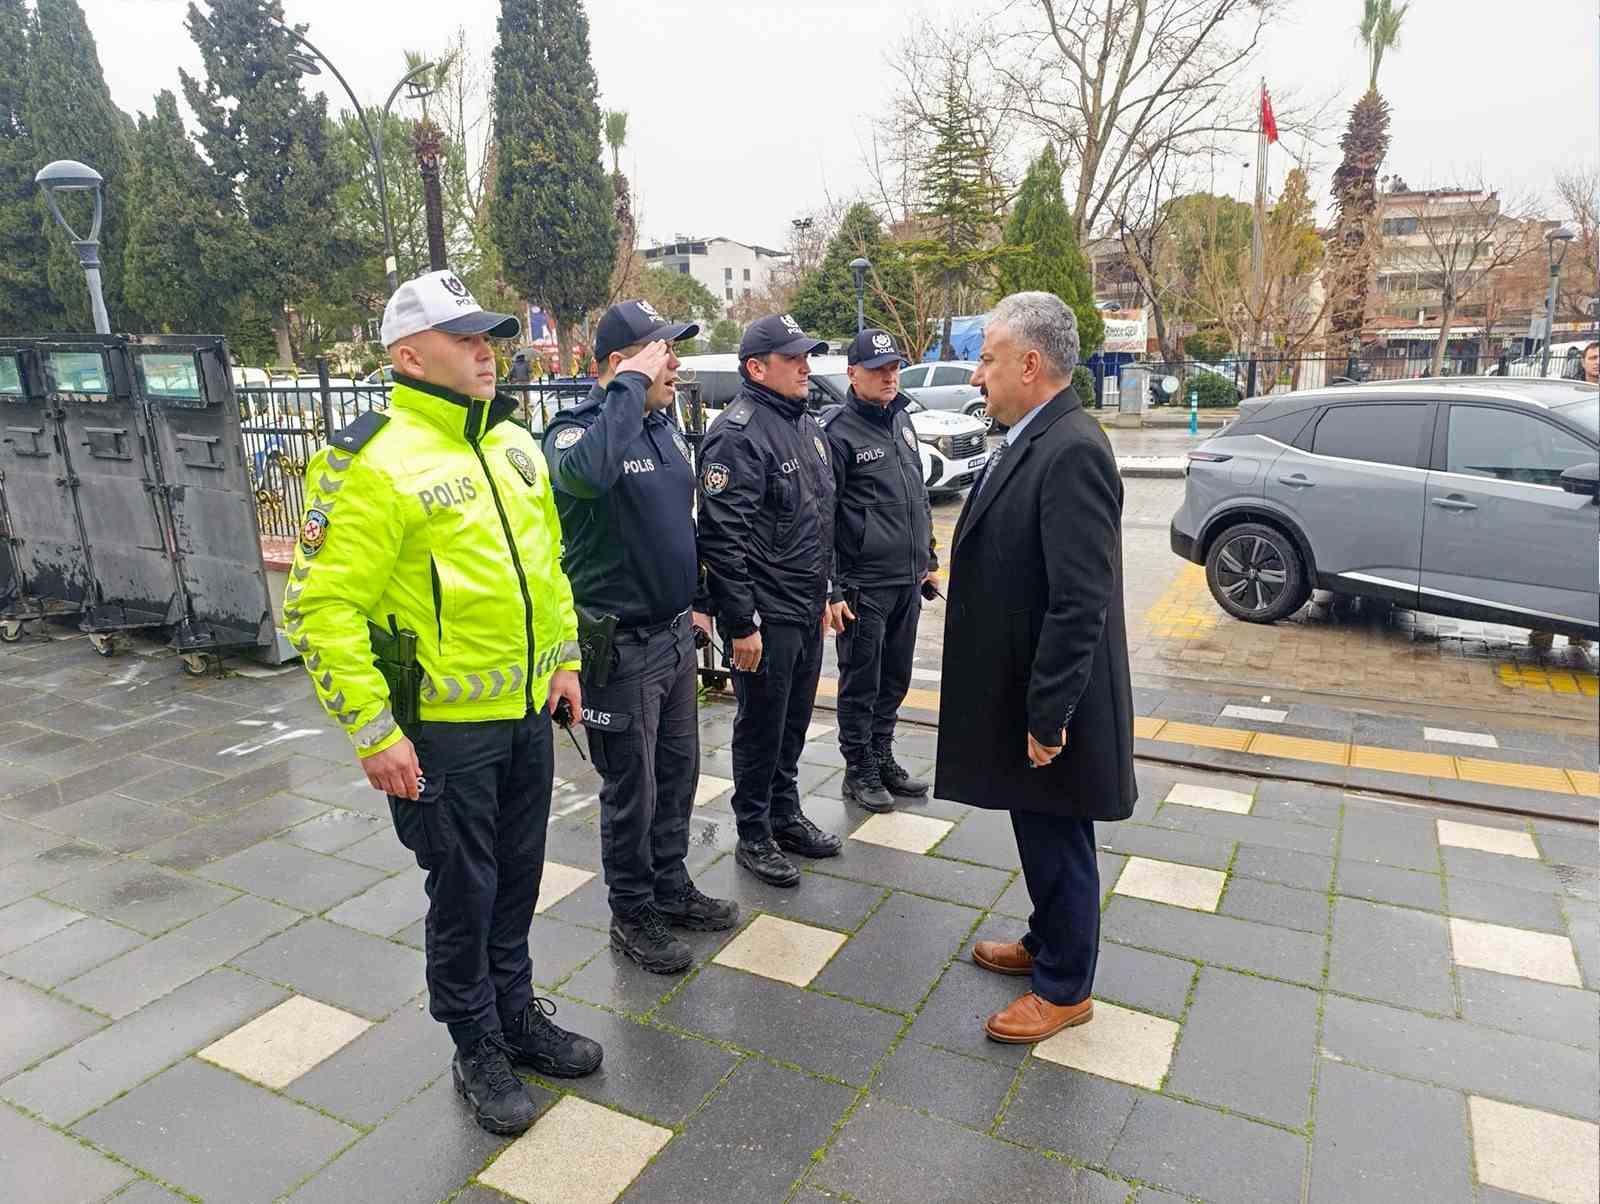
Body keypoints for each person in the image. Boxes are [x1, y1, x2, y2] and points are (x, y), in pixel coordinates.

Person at [287, 269, 602, 1136]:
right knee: (463, 889)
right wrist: (371, 729)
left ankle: (515, 1013)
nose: (484, 352)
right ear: (407, 355)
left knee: (517, 879)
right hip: (441, 731)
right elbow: (320, 608)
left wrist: (565, 662)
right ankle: (474, 1042)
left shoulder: (512, 446)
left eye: (488, 337)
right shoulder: (370, 461)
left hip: (523, 715)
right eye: (464, 339)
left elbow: (548, 570)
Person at [935, 291, 1137, 1044]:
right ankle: (1046, 940)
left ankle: (1065, 987)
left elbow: (1081, 598)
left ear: (1029, 362)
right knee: (1038, 825)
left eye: (987, 357)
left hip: (1055, 697)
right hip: (1023, 684)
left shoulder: (1073, 446)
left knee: (1060, 832)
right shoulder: (1032, 434)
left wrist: (1048, 713)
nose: (978, 374)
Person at [543, 300, 739, 976]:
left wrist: (698, 601)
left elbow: (676, 525)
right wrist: (626, 385)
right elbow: (584, 477)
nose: (676, 364)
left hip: (674, 638)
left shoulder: (661, 427)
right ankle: (631, 913)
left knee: (680, 773)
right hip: (618, 646)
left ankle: (669, 884)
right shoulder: (577, 431)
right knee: (633, 787)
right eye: (663, 351)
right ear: (622, 363)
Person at [698, 313, 844, 887]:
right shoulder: (738, 434)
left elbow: (821, 517)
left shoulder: (805, 424)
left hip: (805, 607)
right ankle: (753, 832)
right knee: (760, 725)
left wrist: (829, 592)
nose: (806, 366)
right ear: (757, 368)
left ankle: (785, 814)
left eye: (807, 355)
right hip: (767, 614)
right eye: (793, 358)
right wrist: (741, 624)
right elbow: (721, 539)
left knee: (794, 722)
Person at [821, 328, 938, 812]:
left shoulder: (903, 421)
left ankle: (882, 753)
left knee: (895, 678)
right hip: (863, 586)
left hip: (906, 580)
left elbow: (917, 498)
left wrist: (927, 559)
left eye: (893, 368)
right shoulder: (838, 433)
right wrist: (834, 588)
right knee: (861, 682)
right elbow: (824, 516)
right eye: (878, 369)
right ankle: (859, 769)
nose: (889, 376)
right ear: (853, 374)